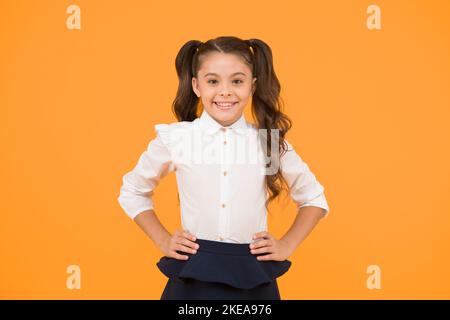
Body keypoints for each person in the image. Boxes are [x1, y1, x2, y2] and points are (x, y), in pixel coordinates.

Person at [117, 36, 330, 300]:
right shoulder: (179, 139)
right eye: (213, 81)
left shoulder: (267, 143)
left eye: (237, 81)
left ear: (252, 86)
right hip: (193, 270)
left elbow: (313, 198)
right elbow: (133, 190)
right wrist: (162, 240)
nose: (225, 91)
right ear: (196, 86)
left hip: (252, 273)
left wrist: (287, 244)